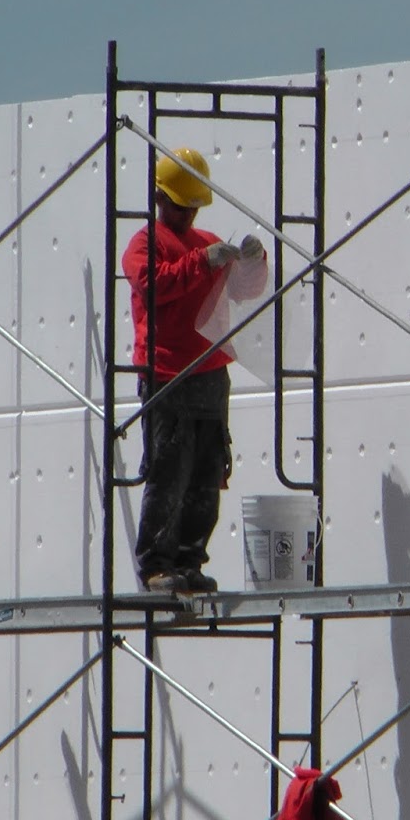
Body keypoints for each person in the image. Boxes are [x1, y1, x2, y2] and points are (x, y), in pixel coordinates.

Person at [124, 147, 268, 593]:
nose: (187, 215)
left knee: (206, 474)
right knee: (169, 473)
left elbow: (244, 292)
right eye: (180, 206)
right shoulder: (145, 243)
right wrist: (203, 262)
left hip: (209, 374)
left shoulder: (207, 241)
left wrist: (253, 261)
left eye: (192, 207)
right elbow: (153, 284)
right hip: (168, 375)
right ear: (160, 199)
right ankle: (157, 567)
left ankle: (188, 560)